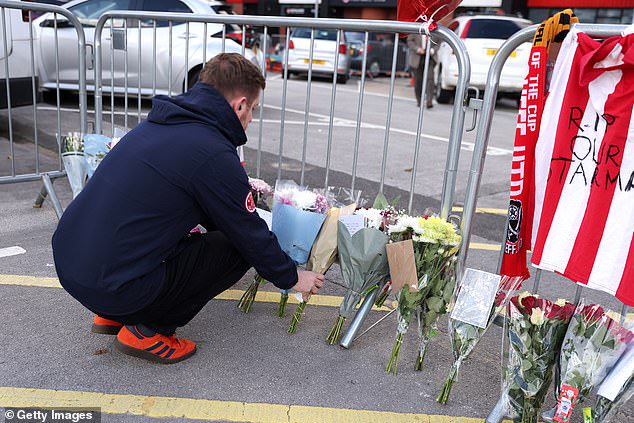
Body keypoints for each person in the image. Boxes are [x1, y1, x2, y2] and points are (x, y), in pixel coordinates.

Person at [51, 53, 324, 364]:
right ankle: (149, 329)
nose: (251, 118)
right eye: (254, 110)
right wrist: (291, 278)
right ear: (240, 105)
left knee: (179, 229)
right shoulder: (211, 152)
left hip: (75, 265)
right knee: (237, 249)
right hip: (112, 283)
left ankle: (111, 314)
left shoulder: (162, 123)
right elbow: (248, 234)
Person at [407, 33, 436, 108]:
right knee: (418, 81)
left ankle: (429, 101)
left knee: (430, 79)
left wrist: (433, 50)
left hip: (430, 57)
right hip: (417, 57)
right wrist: (417, 49)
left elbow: (439, 41)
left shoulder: (434, 26)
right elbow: (410, 41)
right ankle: (419, 101)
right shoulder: (416, 25)